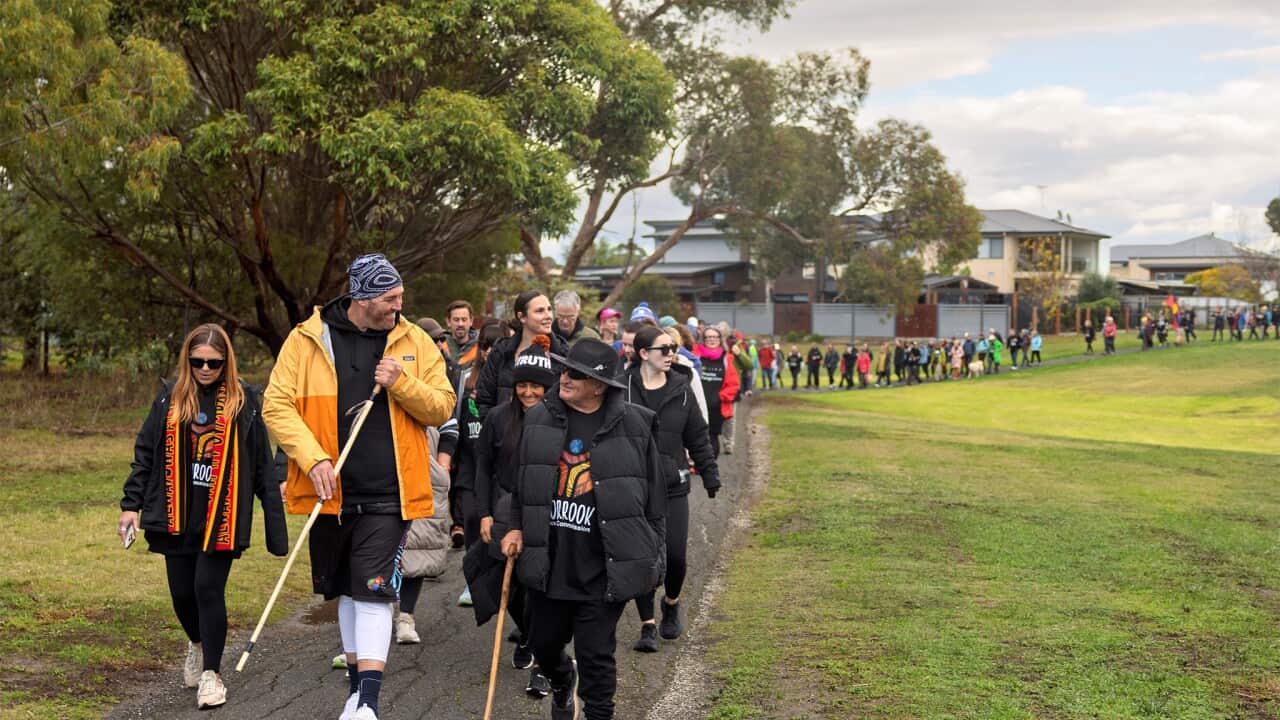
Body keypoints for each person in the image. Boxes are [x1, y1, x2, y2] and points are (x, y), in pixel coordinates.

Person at [263, 253, 456, 720]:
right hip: (330, 494)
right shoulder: (307, 339)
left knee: (373, 587)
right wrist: (313, 458)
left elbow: (442, 406)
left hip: (391, 492)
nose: (399, 305)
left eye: (401, 296)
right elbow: (276, 405)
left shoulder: (413, 341)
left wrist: (401, 382)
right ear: (363, 297)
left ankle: (368, 703)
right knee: (347, 590)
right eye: (391, 298)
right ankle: (355, 695)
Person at [119, 324, 288, 709]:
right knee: (182, 594)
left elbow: (262, 464)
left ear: (226, 362)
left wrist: (274, 522)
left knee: (207, 589)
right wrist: (130, 505)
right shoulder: (170, 398)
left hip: (221, 519)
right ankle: (196, 644)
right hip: (175, 515)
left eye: (214, 363)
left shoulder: (244, 402)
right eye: (198, 362)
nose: (206, 369)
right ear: (188, 361)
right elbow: (145, 453)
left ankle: (212, 674)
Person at [500, 339, 666, 720]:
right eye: (564, 369)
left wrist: (653, 555)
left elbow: (656, 500)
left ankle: (598, 712)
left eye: (576, 373)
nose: (564, 378)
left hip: (604, 565)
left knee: (596, 654)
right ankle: (562, 682)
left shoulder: (637, 424)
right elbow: (522, 486)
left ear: (599, 385)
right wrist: (514, 527)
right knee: (543, 643)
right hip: (550, 561)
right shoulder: (538, 419)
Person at [467, 334, 558, 696]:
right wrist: (484, 513)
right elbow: (483, 468)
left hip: (546, 512)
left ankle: (544, 658)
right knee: (507, 583)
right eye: (522, 385)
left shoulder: (558, 420)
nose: (528, 392)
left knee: (540, 585)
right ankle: (529, 636)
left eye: (536, 386)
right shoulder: (497, 417)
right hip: (504, 507)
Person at [626, 326, 718, 653]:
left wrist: (710, 473)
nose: (671, 354)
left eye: (673, 348)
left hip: (673, 483)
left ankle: (672, 603)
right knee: (642, 557)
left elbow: (698, 435)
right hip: (634, 486)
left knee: (676, 555)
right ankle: (647, 624)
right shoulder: (622, 388)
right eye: (664, 349)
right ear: (643, 353)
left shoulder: (681, 388)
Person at [434, 322, 504, 607]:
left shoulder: (512, 381)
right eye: (485, 346)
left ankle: (500, 582)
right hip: (470, 465)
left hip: (501, 470)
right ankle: (473, 582)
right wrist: (450, 456)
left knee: (500, 526)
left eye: (496, 346)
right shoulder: (465, 378)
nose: (490, 352)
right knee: (473, 522)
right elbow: (453, 418)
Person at [477, 290, 567, 418]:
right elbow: (484, 399)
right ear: (522, 317)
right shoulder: (501, 352)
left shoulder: (563, 354)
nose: (548, 316)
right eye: (540, 311)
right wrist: (495, 427)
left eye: (549, 309)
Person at [695, 326, 740, 457]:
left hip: (716, 407)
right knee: (697, 437)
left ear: (720, 340)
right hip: (697, 406)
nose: (712, 339)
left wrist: (721, 397)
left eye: (715, 337)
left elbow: (733, 384)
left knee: (712, 438)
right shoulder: (695, 356)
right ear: (703, 339)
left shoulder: (727, 358)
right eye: (708, 337)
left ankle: (710, 466)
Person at [445, 300, 480, 369]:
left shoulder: (480, 347)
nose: (460, 324)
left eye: (464, 319)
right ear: (448, 322)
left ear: (471, 321)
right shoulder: (440, 346)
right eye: (456, 320)